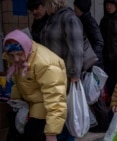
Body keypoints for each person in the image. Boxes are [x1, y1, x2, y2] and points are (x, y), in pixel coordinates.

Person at [3, 29, 67, 141]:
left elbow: (56, 99)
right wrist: (16, 103)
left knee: (32, 133)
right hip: (28, 103)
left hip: (44, 104)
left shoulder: (46, 64)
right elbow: (17, 83)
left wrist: (51, 133)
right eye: (12, 56)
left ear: (26, 48)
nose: (16, 59)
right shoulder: (18, 59)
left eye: (19, 54)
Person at [40, 0, 85, 140]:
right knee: (58, 116)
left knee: (64, 118)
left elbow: (76, 49)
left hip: (64, 76)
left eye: (43, 3)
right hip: (50, 76)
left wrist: (74, 75)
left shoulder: (68, 18)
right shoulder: (52, 19)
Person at [73, 0, 104, 68]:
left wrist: (93, 59)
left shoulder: (89, 21)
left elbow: (99, 41)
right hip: (88, 60)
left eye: (76, 7)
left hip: (93, 62)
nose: (74, 9)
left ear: (81, 8)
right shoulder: (80, 20)